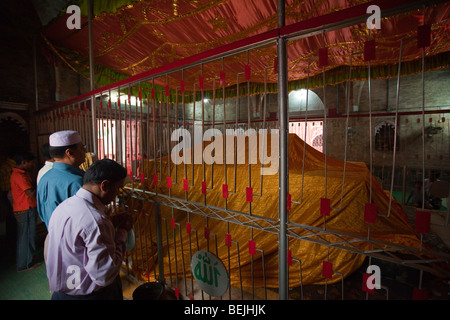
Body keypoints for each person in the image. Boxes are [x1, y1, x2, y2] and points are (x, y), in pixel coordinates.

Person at [46, 159, 133, 300]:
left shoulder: (64, 207)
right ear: (104, 185)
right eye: (117, 188)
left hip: (61, 295)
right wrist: (122, 231)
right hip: (90, 296)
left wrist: (111, 223)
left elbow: (78, 241)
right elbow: (105, 275)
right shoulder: (96, 220)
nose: (117, 194)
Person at [37, 130, 86, 228]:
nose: (84, 152)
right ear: (70, 152)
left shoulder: (44, 178)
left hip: (53, 237)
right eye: (82, 148)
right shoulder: (77, 182)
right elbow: (86, 221)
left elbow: (42, 214)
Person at [9, 150, 41, 272]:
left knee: (26, 236)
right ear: (23, 162)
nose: (33, 165)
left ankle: (25, 261)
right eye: (31, 163)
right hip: (25, 209)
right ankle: (25, 264)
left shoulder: (21, 173)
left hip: (23, 209)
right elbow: (31, 193)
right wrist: (41, 184)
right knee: (27, 236)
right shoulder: (20, 176)